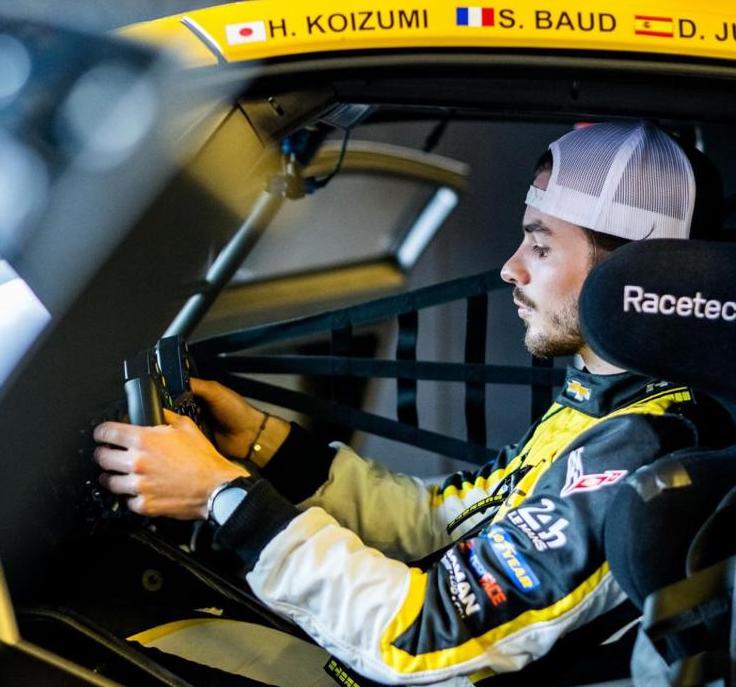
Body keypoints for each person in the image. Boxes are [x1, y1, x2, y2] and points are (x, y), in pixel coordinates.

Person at [93, 121, 734, 686]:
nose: (510, 268)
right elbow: (445, 519)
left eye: (540, 246)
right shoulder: (602, 407)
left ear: (634, 279)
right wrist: (265, 444)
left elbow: (427, 633)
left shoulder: (639, 448)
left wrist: (224, 499)